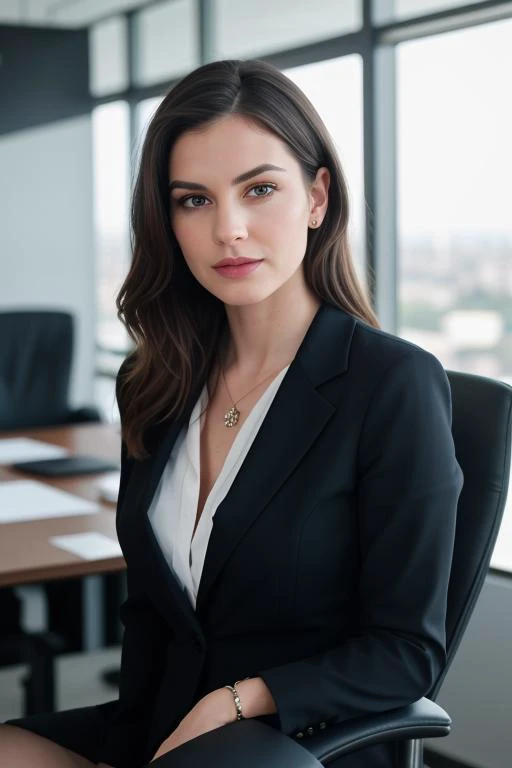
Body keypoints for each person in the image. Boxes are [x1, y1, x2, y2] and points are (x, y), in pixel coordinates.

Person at [0, 58, 463, 768]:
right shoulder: (154, 380)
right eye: (194, 200)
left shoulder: (392, 384)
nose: (229, 230)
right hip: (164, 727)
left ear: (316, 197)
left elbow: (405, 653)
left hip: (291, 742)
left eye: (260, 190)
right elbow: (151, 614)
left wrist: (243, 699)